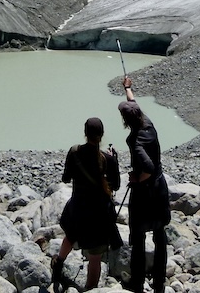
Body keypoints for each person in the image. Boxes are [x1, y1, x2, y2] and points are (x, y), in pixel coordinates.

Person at [52, 117, 121, 292]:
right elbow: (116, 185)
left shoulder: (74, 152)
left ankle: (58, 263)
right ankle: (91, 288)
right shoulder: (108, 159)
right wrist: (114, 161)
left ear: (85, 133)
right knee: (95, 256)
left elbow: (66, 178)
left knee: (70, 236)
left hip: (78, 208)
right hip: (99, 215)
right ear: (102, 135)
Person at [119, 76, 171, 293]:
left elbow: (147, 167)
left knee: (138, 237)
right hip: (160, 188)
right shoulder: (147, 123)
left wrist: (135, 179)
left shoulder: (137, 140)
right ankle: (159, 283)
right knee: (160, 235)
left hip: (144, 193)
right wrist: (128, 89)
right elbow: (134, 106)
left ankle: (137, 282)